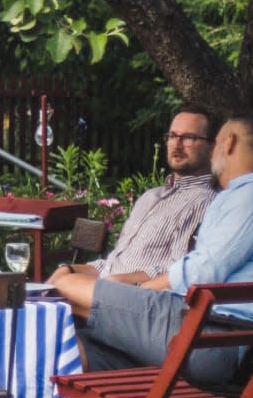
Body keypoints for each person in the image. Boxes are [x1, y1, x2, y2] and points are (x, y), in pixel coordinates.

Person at [55, 109, 253, 387]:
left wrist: (138, 292)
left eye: (216, 142)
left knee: (64, 286)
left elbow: (203, 270)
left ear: (229, 142)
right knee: (69, 347)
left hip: (209, 340)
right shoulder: (240, 198)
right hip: (192, 332)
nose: (213, 154)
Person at [48, 104, 220, 286]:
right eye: (172, 136)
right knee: (49, 289)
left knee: (55, 295)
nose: (176, 144)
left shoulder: (206, 201)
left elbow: (178, 270)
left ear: (212, 147)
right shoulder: (150, 197)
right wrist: (70, 270)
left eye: (188, 138)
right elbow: (113, 265)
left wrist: (116, 283)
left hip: (138, 298)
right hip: (107, 288)